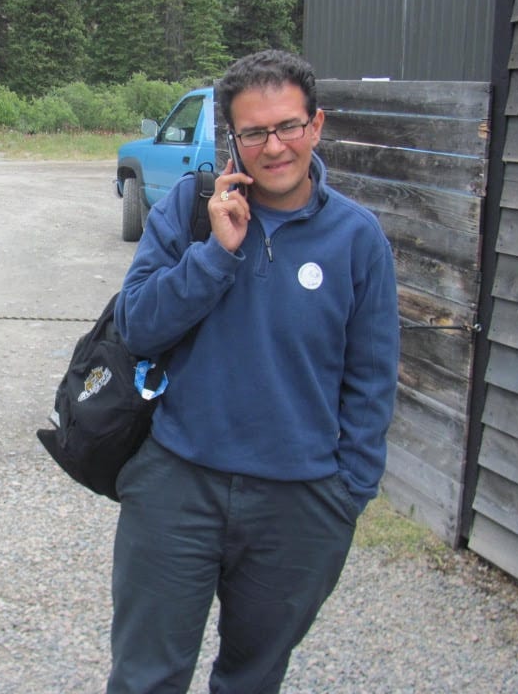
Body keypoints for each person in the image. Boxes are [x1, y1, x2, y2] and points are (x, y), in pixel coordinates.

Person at [108, 49, 400, 694]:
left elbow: (372, 378)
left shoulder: (357, 238)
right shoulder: (189, 210)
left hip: (300, 501)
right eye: (254, 132)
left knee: (253, 678)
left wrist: (346, 494)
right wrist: (216, 253)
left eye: (288, 126)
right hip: (178, 483)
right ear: (231, 138)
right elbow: (137, 326)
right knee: (145, 676)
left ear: (316, 125)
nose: (274, 147)